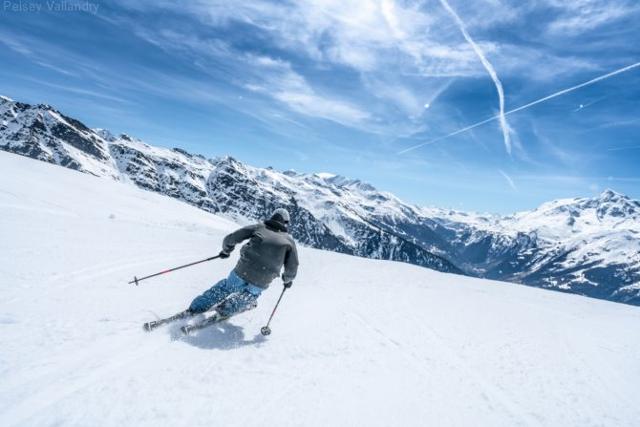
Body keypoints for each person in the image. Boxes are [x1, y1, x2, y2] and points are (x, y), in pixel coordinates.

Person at [187, 208, 299, 319]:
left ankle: (197, 307)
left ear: (272, 217)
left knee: (226, 288)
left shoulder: (259, 227)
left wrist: (226, 251)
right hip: (263, 279)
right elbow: (292, 266)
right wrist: (287, 280)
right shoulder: (289, 241)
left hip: (242, 271)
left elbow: (231, 238)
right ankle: (226, 310)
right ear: (285, 223)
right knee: (249, 295)